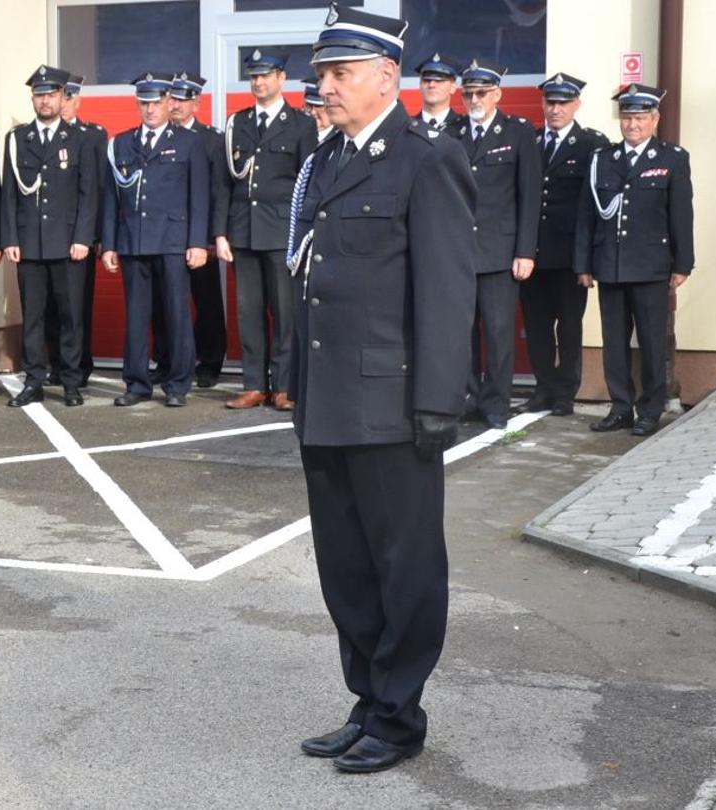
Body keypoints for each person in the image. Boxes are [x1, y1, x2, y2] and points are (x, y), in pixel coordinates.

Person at [288, 5, 475, 773]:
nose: (325, 87)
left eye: (339, 74)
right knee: (347, 567)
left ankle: (399, 718)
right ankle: (368, 702)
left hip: (392, 405)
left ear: (385, 77)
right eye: (323, 74)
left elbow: (444, 290)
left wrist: (437, 401)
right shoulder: (328, 158)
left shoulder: (425, 161)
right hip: (328, 399)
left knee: (405, 568)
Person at [575, 83, 693, 438]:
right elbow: (586, 216)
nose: (632, 125)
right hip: (610, 264)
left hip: (650, 266)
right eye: (627, 118)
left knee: (653, 342)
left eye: (640, 117)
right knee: (614, 343)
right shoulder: (602, 160)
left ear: (654, 120)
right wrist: (583, 264)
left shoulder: (672, 158)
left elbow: (681, 215)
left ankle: (651, 409)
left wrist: (683, 263)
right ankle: (621, 407)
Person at [99, 72, 210, 408]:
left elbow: (199, 197)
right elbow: (111, 198)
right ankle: (136, 383)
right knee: (136, 316)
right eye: (143, 102)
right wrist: (109, 244)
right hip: (133, 241)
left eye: (156, 102)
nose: (149, 109)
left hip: (174, 241)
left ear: (168, 103)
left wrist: (197, 242)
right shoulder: (121, 142)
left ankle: (177, 384)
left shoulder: (190, 142)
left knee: (176, 313)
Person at [220, 48, 317, 412]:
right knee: (249, 312)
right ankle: (254, 384)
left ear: (281, 79)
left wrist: (304, 234)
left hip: (281, 233)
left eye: (266, 75)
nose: (259, 82)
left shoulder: (301, 125)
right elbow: (225, 185)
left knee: (285, 313)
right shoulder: (237, 122)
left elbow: (308, 184)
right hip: (244, 232)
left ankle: (285, 386)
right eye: (254, 76)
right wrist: (220, 233)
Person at [451, 60, 542, 430]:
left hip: (500, 253)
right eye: (468, 93)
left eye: (481, 93)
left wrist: (525, 250)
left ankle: (496, 403)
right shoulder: (453, 133)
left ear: (497, 94)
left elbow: (529, 195)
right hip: (459, 253)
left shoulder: (517, 132)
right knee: (462, 332)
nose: (474, 99)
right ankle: (468, 397)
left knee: (500, 332)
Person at [0, 65, 98, 408]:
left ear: (62, 97)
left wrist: (83, 238)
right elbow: (8, 195)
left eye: (52, 94)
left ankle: (71, 382)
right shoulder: (16, 140)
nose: (45, 100)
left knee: (71, 317)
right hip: (30, 245)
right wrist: (10, 238)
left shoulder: (80, 139)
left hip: (68, 244)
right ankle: (34, 380)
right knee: (34, 318)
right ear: (33, 98)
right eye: (40, 94)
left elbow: (89, 194)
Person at [520, 73, 608, 417]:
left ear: (576, 105)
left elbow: (594, 206)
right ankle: (543, 387)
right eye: (550, 102)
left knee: (569, 326)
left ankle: (565, 391)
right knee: (537, 325)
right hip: (534, 253)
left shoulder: (591, 145)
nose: (555, 109)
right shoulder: (531, 140)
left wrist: (587, 260)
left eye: (562, 103)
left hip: (571, 256)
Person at [169, 72, 229, 391]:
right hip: (167, 235)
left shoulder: (211, 139)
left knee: (206, 301)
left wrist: (212, 236)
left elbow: (219, 191)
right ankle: (170, 361)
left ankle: (209, 362)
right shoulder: (161, 135)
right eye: (173, 98)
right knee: (167, 302)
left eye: (183, 99)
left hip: (200, 235)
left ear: (197, 102)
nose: (176, 105)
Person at [55, 74, 107, 385]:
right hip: (49, 236)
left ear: (78, 101)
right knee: (51, 305)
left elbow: (98, 189)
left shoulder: (92, 135)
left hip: (80, 235)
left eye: (69, 99)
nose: (63, 104)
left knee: (77, 306)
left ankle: (80, 364)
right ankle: (56, 364)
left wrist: (96, 236)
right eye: (61, 98)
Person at [411, 54, 468, 133]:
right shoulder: (406, 127)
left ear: (453, 87)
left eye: (439, 81)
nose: (431, 85)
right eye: (426, 80)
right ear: (420, 85)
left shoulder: (465, 128)